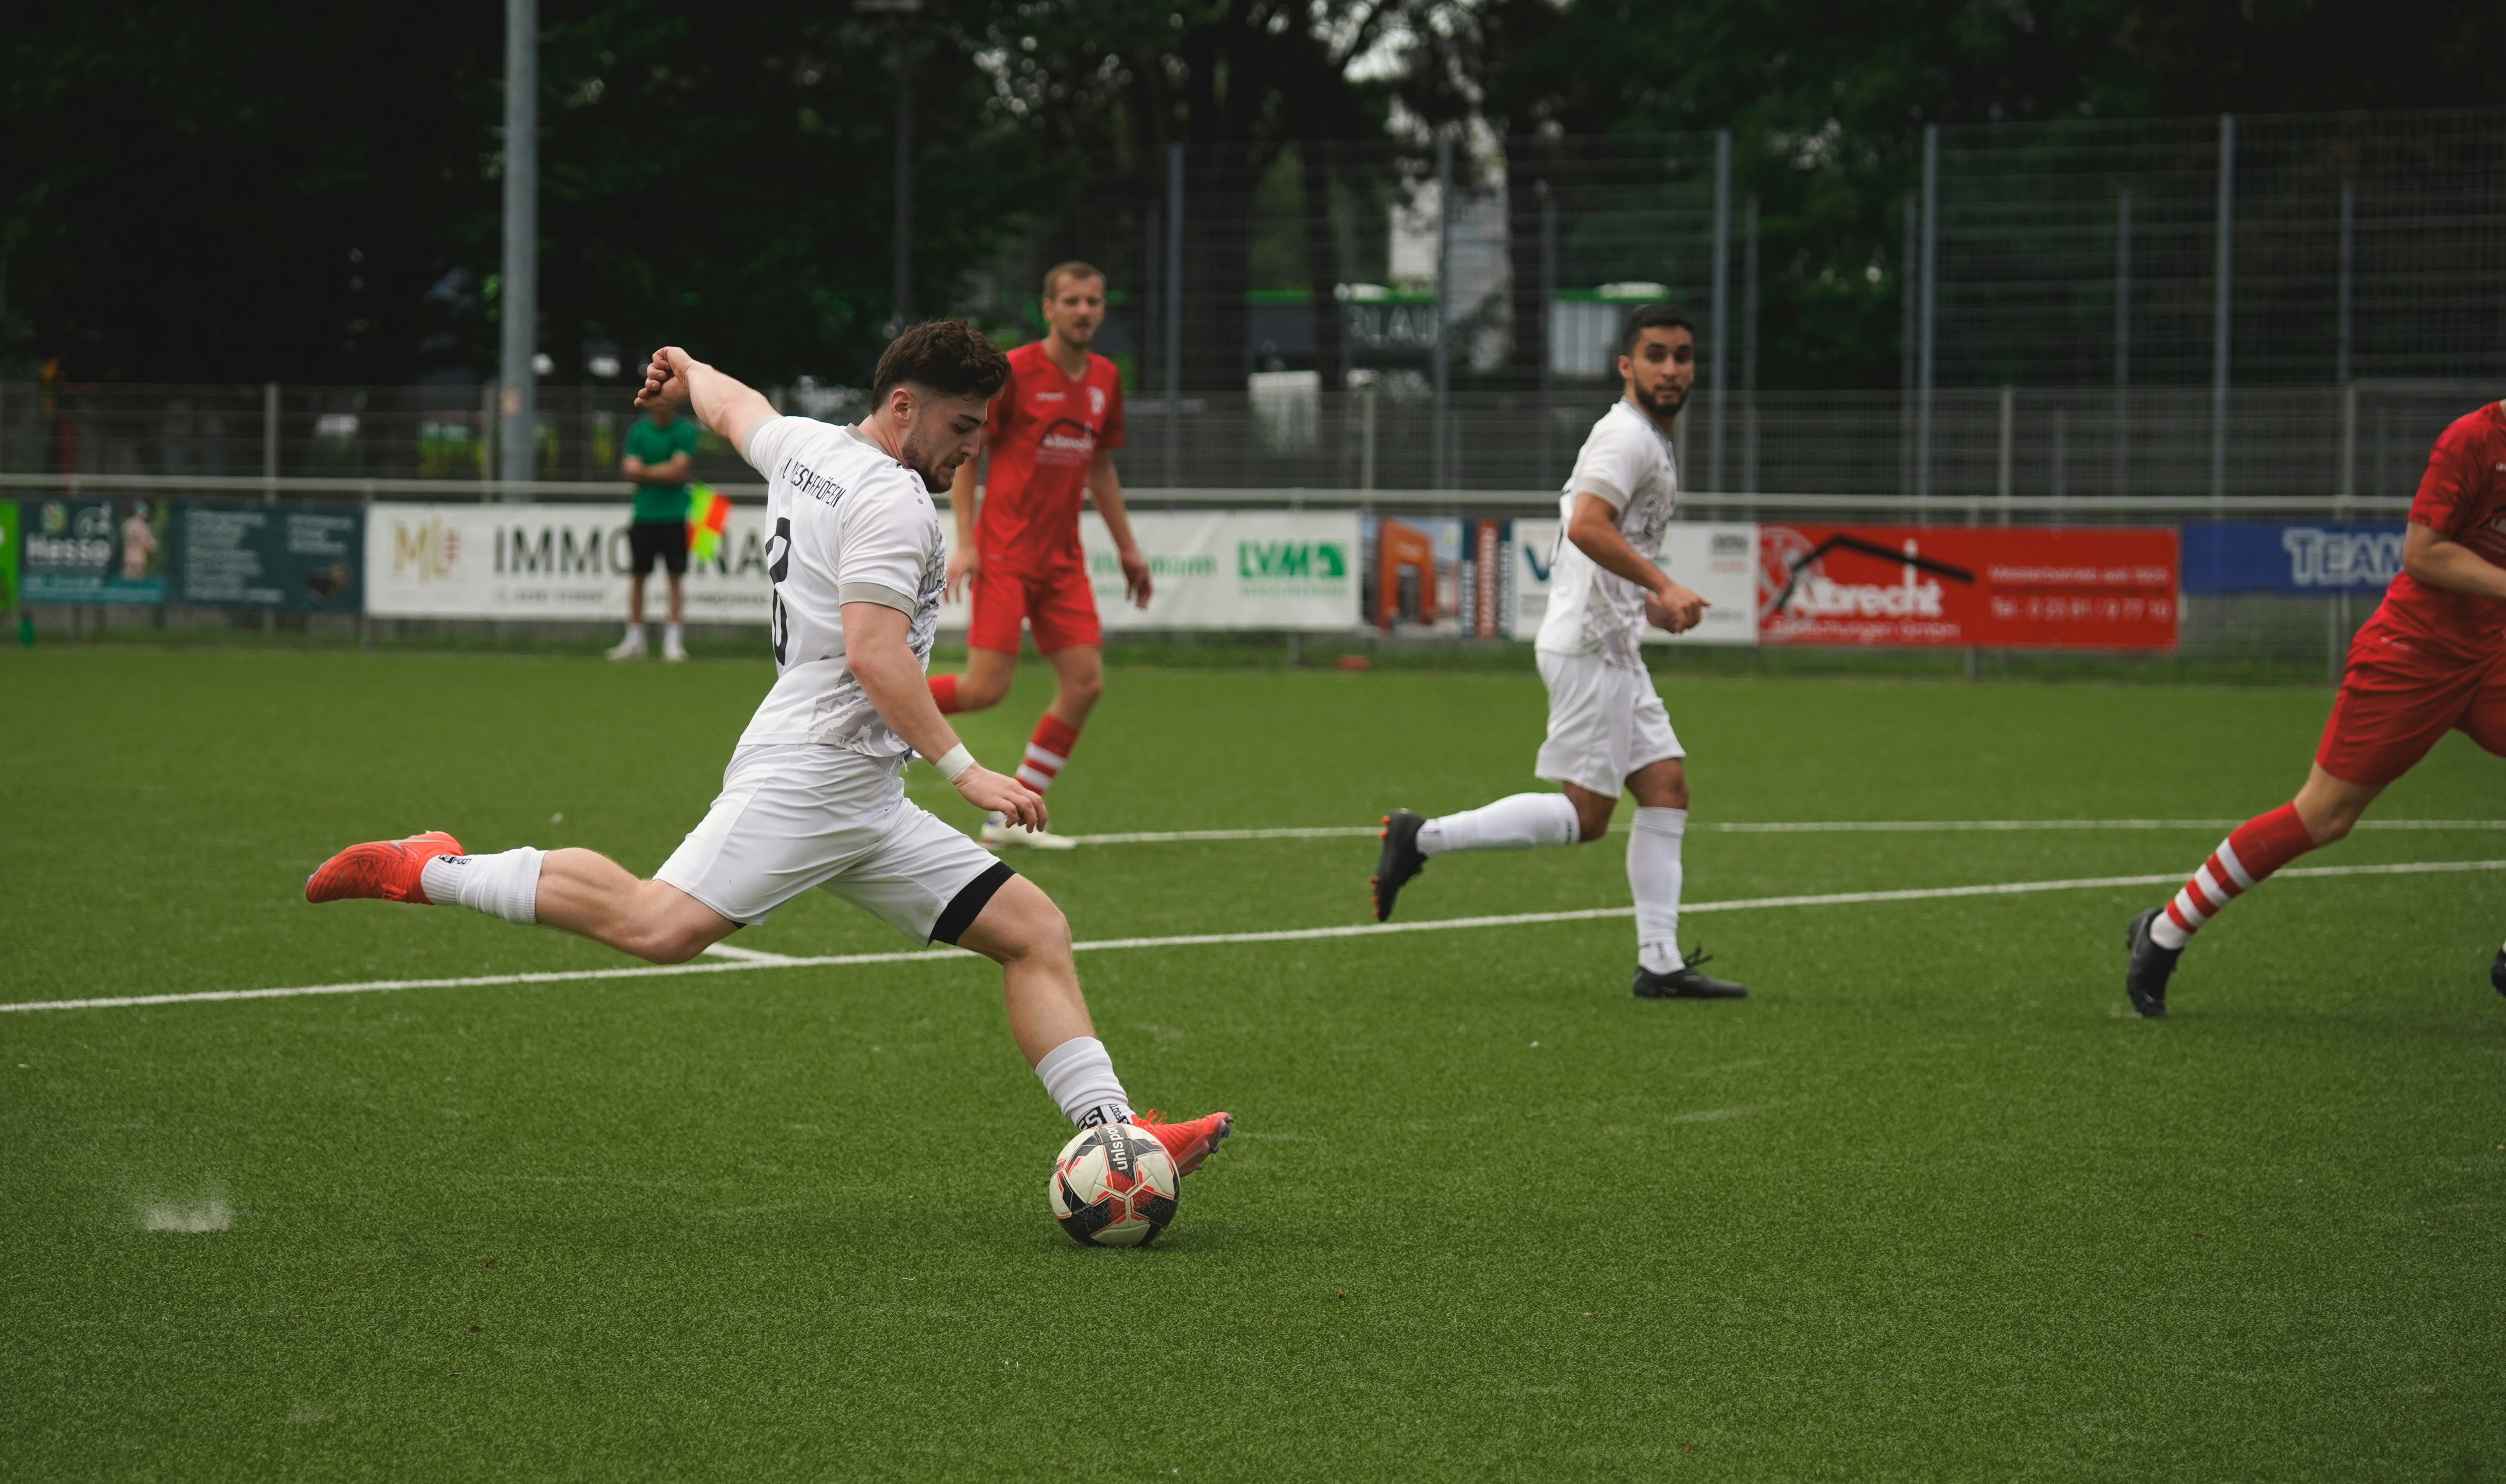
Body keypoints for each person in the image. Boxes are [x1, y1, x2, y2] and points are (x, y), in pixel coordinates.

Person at [305, 322, 1232, 1172]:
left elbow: (735, 408)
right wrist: (968, 769)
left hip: (861, 793)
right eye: (961, 424)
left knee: (1033, 932)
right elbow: (874, 655)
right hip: (812, 770)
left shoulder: (809, 446)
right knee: (658, 925)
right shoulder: (894, 503)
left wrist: (685, 371)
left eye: (982, 426)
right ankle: (431, 868)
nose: (972, 444)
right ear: (903, 406)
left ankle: (1115, 1136)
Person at [1368, 304, 1746, 1001]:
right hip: (1587, 648)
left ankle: (1660, 963)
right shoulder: (1627, 438)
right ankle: (1420, 839)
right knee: (1586, 816)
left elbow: (1604, 538)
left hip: (1610, 642)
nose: (1671, 368)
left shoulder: (1648, 439)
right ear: (1626, 366)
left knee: (1665, 789)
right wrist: (1661, 583)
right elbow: (1586, 526)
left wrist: (1645, 599)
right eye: (1656, 354)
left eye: (1683, 356)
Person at [2126, 399, 2506, 1015]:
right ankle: (2164, 931)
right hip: (2411, 654)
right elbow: (2422, 552)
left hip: (2491, 653)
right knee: (2323, 816)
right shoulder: (2472, 440)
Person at [924, 262, 1153, 850]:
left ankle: (1008, 819)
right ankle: (875, 698)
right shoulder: (1018, 371)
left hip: (1063, 563)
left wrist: (1128, 548)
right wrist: (968, 542)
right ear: (1048, 309)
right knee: (983, 690)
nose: (1084, 311)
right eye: (1072, 301)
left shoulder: (1105, 377)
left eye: (1094, 301)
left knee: (1084, 685)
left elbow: (1099, 465)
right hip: (1005, 553)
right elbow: (971, 449)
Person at [610, 398, 702, 662]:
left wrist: (646, 473)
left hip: (674, 515)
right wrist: (663, 472)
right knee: (638, 576)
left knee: (675, 578)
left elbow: (679, 471)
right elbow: (630, 471)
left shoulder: (684, 431)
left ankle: (673, 641)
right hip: (643, 515)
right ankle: (634, 639)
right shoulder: (638, 432)